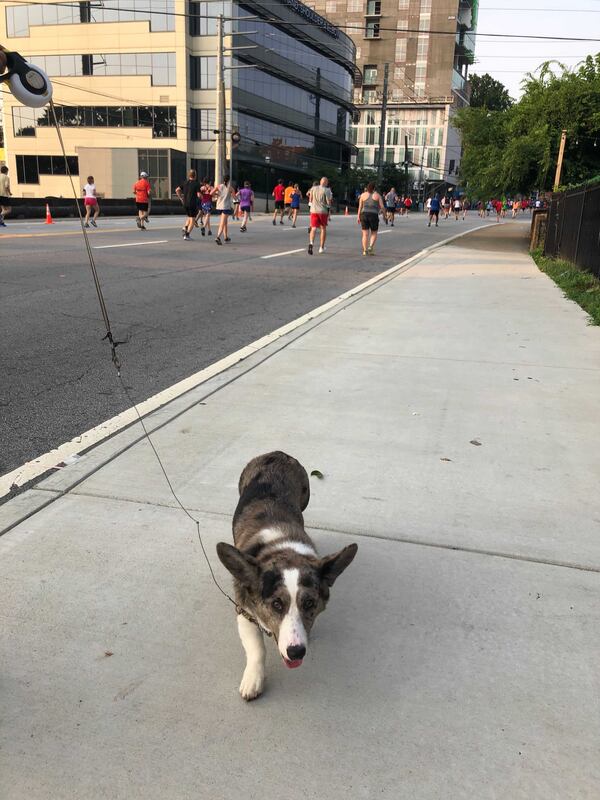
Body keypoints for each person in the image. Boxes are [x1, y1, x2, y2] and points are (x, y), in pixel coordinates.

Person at [357, 182, 384, 256]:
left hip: (364, 215)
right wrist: (382, 213)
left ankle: (365, 250)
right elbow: (382, 206)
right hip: (374, 215)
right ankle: (370, 247)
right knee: (374, 233)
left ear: (367, 188)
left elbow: (360, 207)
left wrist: (358, 216)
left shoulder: (363, 195)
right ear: (374, 188)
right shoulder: (377, 196)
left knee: (365, 234)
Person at [307, 176, 332, 255]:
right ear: (326, 182)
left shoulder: (313, 188)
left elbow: (310, 198)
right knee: (323, 228)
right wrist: (329, 206)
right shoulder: (327, 190)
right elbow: (328, 202)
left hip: (313, 211)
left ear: (320, 181)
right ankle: (321, 247)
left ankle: (311, 243)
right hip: (322, 211)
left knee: (313, 228)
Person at [175, 168, 201, 241]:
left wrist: (180, 197)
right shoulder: (196, 184)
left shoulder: (185, 182)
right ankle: (187, 234)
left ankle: (185, 227)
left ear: (189, 175)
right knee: (193, 219)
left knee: (189, 217)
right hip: (192, 203)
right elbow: (199, 195)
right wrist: (202, 196)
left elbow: (177, 189)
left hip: (185, 203)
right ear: (195, 175)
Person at [213, 174, 234, 245]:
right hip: (226, 207)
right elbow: (234, 197)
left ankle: (226, 237)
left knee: (225, 222)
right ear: (229, 180)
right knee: (222, 223)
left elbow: (211, 193)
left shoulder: (219, 186)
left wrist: (217, 194)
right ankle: (218, 237)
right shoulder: (230, 188)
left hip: (219, 206)